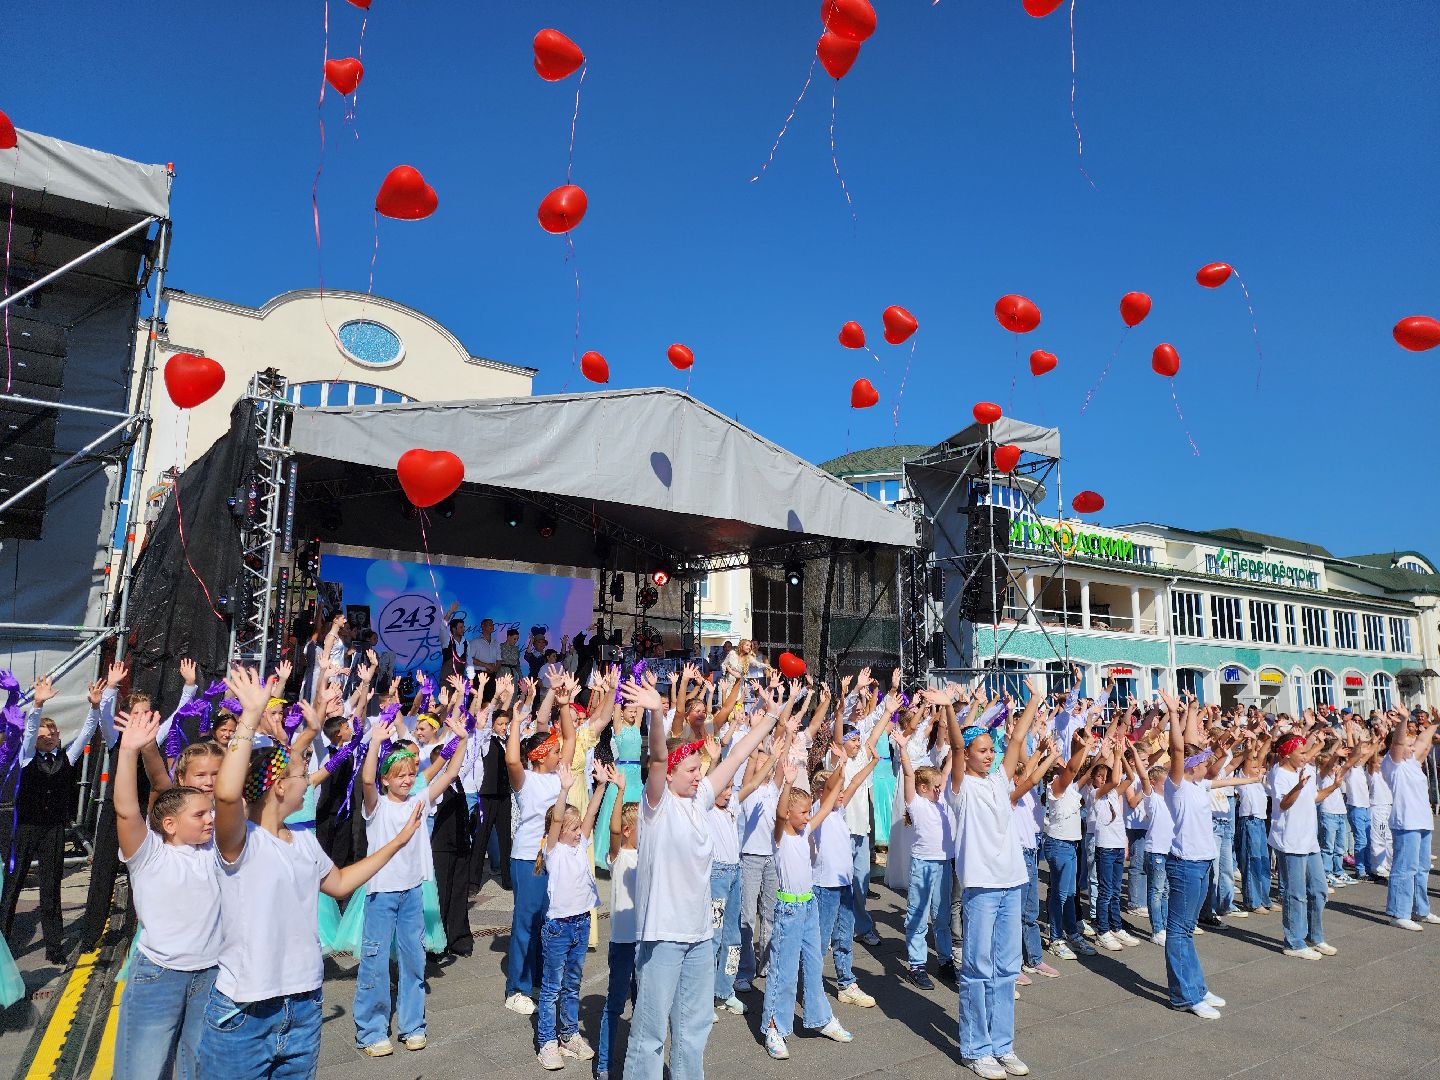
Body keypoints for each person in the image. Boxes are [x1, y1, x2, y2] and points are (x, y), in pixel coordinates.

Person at [199, 665, 423, 1078]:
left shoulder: (303, 842)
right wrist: (250, 717)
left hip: (303, 1006)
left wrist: (397, 842)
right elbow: (228, 792)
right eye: (302, 775)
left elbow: (340, 883)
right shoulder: (240, 841)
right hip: (246, 1011)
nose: (309, 780)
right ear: (280, 787)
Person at [619, 673, 777, 1080]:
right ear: (669, 774)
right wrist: (657, 713)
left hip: (700, 935)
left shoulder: (699, 800)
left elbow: (737, 756)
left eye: (697, 769)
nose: (697, 775)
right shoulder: (657, 805)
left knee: (693, 1031)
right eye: (689, 769)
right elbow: (655, 757)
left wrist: (772, 717)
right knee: (650, 1035)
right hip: (663, 937)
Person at [939, 677, 1043, 1080]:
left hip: (1010, 883)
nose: (989, 755)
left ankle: (1003, 1045)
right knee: (978, 968)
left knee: (1005, 968)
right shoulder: (960, 788)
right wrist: (949, 707)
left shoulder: (1001, 780)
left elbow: (1016, 740)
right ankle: (976, 1048)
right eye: (981, 750)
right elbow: (955, 744)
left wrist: (1034, 699)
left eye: (990, 750)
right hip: (980, 888)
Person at [111, 703, 220, 1080]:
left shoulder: (220, 847)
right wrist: (130, 750)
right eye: (200, 815)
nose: (210, 818)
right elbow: (127, 810)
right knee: (142, 1070)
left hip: (211, 976)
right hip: (159, 976)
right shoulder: (149, 854)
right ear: (170, 823)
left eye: (211, 813)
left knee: (200, 1068)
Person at [354, 708, 468, 1055]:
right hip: (381, 894)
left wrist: (462, 738)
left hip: (413, 892)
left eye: (409, 774)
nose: (406, 779)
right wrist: (375, 742)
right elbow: (368, 781)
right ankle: (371, 1030)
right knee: (374, 960)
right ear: (388, 778)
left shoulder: (420, 800)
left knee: (413, 960)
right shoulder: (377, 807)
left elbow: (449, 774)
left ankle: (412, 1025)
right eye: (399, 775)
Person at [759, 761, 854, 1059]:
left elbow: (825, 807)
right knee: (783, 972)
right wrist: (786, 784)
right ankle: (774, 1026)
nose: (809, 816)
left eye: (808, 811)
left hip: (809, 905)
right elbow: (778, 814)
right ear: (789, 812)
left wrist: (841, 767)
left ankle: (820, 1017)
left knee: (814, 964)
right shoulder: (780, 837)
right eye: (802, 812)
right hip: (787, 909)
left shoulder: (804, 832)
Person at [1, 675, 98, 962]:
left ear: (57, 736)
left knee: (51, 886)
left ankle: (54, 948)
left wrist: (93, 708)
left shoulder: (68, 757)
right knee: (13, 883)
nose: (47, 737)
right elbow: (29, 732)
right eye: (43, 734)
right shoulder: (27, 757)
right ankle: (4, 943)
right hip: (27, 827)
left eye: (51, 734)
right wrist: (38, 704)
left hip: (54, 829)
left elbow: (87, 732)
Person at [503, 678, 576, 1014]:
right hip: (527, 859)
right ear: (541, 755)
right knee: (526, 920)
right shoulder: (527, 781)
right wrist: (516, 722)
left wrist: (564, 705)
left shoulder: (557, 776)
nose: (562, 754)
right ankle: (516, 987)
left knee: (548, 919)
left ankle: (539, 978)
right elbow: (512, 762)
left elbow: (572, 737)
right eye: (556, 752)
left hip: (553, 858)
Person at [535, 763, 610, 1069]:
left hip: (581, 922)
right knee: (552, 986)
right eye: (574, 828)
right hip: (558, 927)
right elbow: (555, 820)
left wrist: (603, 785)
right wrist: (564, 789)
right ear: (560, 831)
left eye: (580, 827)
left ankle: (568, 1035)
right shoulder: (554, 850)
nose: (580, 832)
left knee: (573, 984)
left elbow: (591, 813)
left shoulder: (580, 845)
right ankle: (547, 1041)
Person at [811, 720, 884, 1012]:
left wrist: (874, 762)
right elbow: (838, 784)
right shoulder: (819, 811)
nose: (841, 794)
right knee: (819, 939)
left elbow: (852, 784)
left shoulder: (838, 809)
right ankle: (812, 986)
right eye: (833, 790)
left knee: (844, 936)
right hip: (824, 887)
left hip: (843, 885)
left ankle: (846, 983)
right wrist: (840, 767)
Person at [1266, 732, 1347, 959]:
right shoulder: (1278, 774)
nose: (1306, 756)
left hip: (1309, 840)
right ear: (1286, 754)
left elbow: (1314, 798)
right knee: (1296, 894)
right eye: (1301, 752)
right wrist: (1298, 787)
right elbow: (1283, 804)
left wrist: (1333, 787)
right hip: (1290, 842)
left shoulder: (1308, 770)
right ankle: (1294, 942)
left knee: (1319, 890)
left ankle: (1315, 936)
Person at [596, 774, 640, 1080]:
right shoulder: (619, 855)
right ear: (627, 830)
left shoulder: (648, 855)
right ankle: (603, 1065)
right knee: (614, 1005)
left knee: (643, 1007)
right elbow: (613, 829)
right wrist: (620, 791)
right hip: (623, 943)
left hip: (646, 942)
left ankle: (637, 1064)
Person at [1382, 712, 1439, 931]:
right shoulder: (1393, 763)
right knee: (1405, 868)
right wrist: (1404, 721)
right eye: (1409, 743)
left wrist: (1434, 723)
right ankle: (1399, 912)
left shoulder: (1413, 763)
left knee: (1422, 867)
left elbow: (1424, 741)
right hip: (1406, 822)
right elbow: (1397, 741)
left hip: (1423, 821)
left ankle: (1420, 909)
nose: (1413, 745)